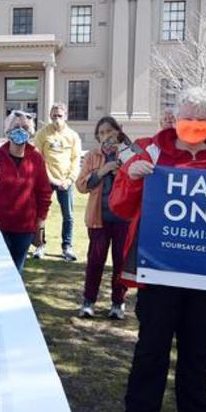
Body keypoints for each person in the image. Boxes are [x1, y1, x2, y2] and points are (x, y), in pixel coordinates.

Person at [112, 87, 206, 412]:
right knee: (151, 347)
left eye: (201, 119)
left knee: (199, 349)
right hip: (159, 272)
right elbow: (120, 207)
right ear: (175, 118)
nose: (194, 125)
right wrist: (131, 177)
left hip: (205, 274)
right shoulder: (150, 150)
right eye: (187, 118)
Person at [76, 116, 135, 319]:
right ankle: (88, 301)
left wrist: (121, 171)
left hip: (123, 219)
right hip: (98, 217)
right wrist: (102, 171)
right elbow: (82, 185)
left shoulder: (129, 154)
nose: (105, 136)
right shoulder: (93, 156)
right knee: (95, 260)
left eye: (109, 131)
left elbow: (136, 186)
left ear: (118, 132)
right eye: (101, 133)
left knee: (120, 262)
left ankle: (118, 303)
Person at [0, 110, 52, 274]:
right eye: (16, 126)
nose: (20, 130)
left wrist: (40, 224)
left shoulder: (36, 159)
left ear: (31, 132)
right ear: (7, 130)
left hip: (24, 228)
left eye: (25, 127)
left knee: (15, 273)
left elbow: (44, 193)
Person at [33, 102, 82, 261]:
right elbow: (38, 159)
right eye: (53, 116)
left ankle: (67, 247)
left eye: (59, 116)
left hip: (65, 181)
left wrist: (69, 179)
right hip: (46, 180)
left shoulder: (73, 136)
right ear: (50, 116)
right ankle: (40, 245)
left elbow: (75, 160)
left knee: (68, 215)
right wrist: (50, 178)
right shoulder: (42, 134)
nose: (56, 119)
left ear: (66, 116)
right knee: (41, 214)